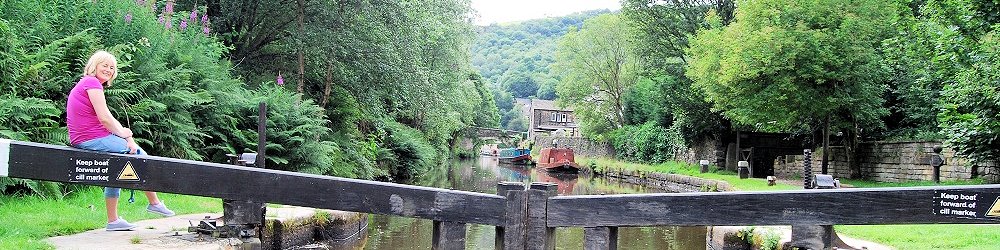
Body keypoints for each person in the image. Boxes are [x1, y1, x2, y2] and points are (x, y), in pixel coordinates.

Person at [66, 50, 175, 231]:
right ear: (94, 66)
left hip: (91, 136)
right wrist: (127, 137)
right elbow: (105, 119)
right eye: (104, 65)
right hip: (90, 138)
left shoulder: (89, 84)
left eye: (112, 67)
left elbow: (108, 118)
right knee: (140, 155)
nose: (108, 69)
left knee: (116, 167)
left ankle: (113, 221)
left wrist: (127, 135)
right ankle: (154, 203)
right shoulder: (91, 82)